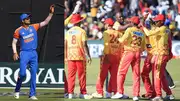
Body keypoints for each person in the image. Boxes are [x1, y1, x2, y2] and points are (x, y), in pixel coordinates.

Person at [12, 5, 55, 100]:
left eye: (28, 18)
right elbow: (14, 42)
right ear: (23, 21)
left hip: (33, 53)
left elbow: (45, 22)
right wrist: (15, 52)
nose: (29, 19)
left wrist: (50, 14)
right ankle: (17, 89)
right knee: (22, 74)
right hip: (24, 53)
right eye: (27, 18)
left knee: (33, 74)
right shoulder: (18, 30)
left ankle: (32, 94)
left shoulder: (34, 27)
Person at [111, 16, 146, 101]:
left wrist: (117, 38)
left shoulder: (129, 30)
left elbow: (122, 40)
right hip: (137, 53)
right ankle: (136, 95)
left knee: (121, 72)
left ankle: (119, 92)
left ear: (133, 23)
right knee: (136, 75)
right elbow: (143, 47)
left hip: (128, 52)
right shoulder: (142, 32)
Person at [143, 14, 174, 101]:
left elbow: (148, 34)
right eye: (154, 21)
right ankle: (169, 94)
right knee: (161, 76)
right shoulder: (165, 30)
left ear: (161, 22)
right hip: (160, 54)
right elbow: (169, 42)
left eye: (157, 21)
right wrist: (169, 53)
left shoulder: (162, 29)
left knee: (156, 75)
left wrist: (143, 27)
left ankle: (158, 95)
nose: (155, 23)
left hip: (159, 54)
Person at [92, 18, 124, 98]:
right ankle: (114, 92)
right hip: (116, 56)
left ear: (107, 25)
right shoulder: (119, 33)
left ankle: (99, 92)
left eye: (105, 24)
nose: (104, 25)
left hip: (107, 55)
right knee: (114, 76)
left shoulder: (106, 32)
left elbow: (105, 43)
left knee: (102, 75)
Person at [65, 13, 92, 99]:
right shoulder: (82, 31)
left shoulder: (68, 32)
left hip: (70, 56)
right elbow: (84, 44)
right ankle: (83, 93)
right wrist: (88, 55)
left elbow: (65, 44)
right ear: (80, 21)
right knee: (82, 75)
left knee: (70, 76)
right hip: (80, 56)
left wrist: (66, 56)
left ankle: (70, 93)